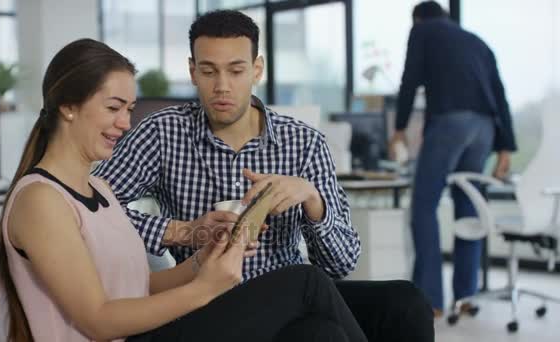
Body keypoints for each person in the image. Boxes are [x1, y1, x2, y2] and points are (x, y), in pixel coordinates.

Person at [0, 38, 367, 342]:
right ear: (68, 106)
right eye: (113, 107)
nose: (125, 123)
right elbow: (97, 319)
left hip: (145, 331)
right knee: (306, 282)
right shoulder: (40, 201)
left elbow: (140, 286)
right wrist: (207, 288)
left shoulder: (99, 189)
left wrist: (203, 258)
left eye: (129, 109)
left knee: (318, 333)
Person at [94, 9, 433, 342]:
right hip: (209, 302)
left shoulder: (303, 142)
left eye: (236, 70)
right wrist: (182, 231)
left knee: (404, 302)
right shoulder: (162, 132)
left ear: (257, 69)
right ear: (192, 71)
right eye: (209, 71)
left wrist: (313, 201)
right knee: (309, 296)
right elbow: (94, 209)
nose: (222, 86)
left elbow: (341, 264)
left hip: (293, 296)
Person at [389, 1, 518, 317]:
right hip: (485, 128)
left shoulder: (422, 31)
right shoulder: (477, 42)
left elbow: (410, 78)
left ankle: (430, 299)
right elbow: (500, 96)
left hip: (450, 122)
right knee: (469, 205)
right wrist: (506, 149)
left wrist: (400, 128)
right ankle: (466, 296)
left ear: (418, 18)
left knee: (424, 205)